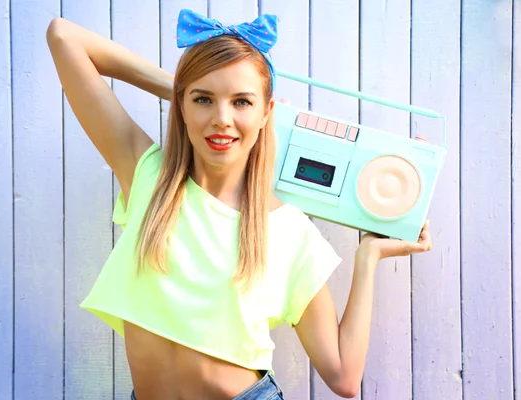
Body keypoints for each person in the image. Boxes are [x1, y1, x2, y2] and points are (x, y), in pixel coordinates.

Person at [46, 9, 432, 400]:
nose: (222, 119)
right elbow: (64, 37)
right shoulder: (149, 177)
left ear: (267, 113)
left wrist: (368, 257)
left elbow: (344, 377)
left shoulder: (289, 232)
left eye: (242, 103)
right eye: (204, 99)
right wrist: (183, 88)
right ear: (181, 104)